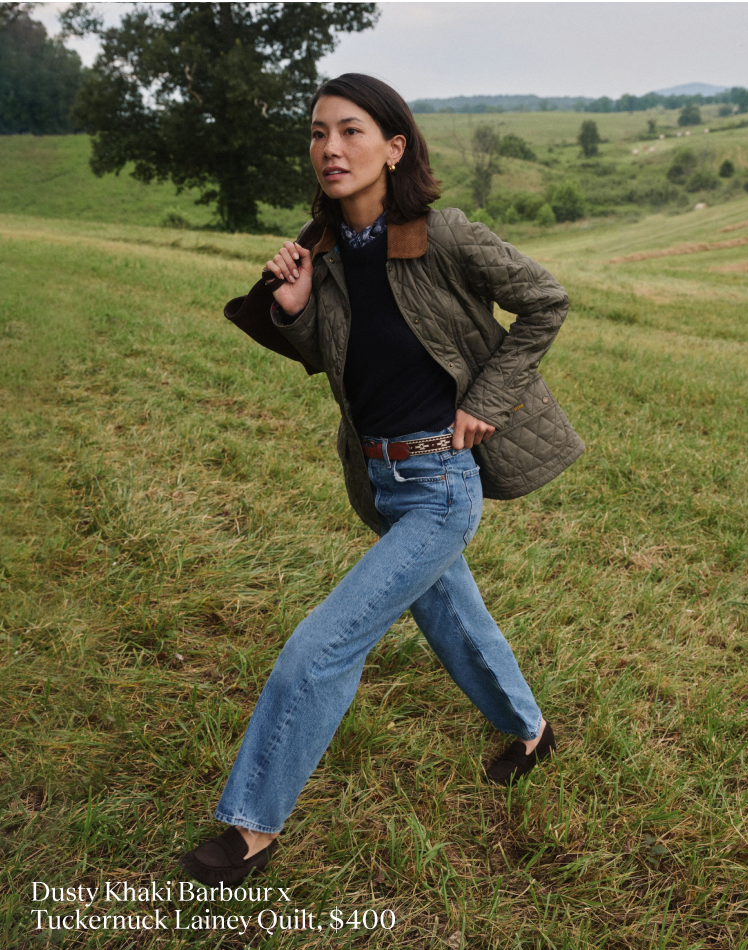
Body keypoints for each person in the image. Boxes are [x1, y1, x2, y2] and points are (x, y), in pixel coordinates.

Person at [181, 76, 584, 886]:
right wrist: (294, 309)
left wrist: (486, 401)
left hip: (440, 483)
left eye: (351, 131)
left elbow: (546, 299)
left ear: (393, 147)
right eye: (318, 133)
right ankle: (534, 731)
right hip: (381, 483)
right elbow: (340, 360)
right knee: (456, 621)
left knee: (321, 647)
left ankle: (250, 828)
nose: (330, 149)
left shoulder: (445, 237)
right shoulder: (323, 252)